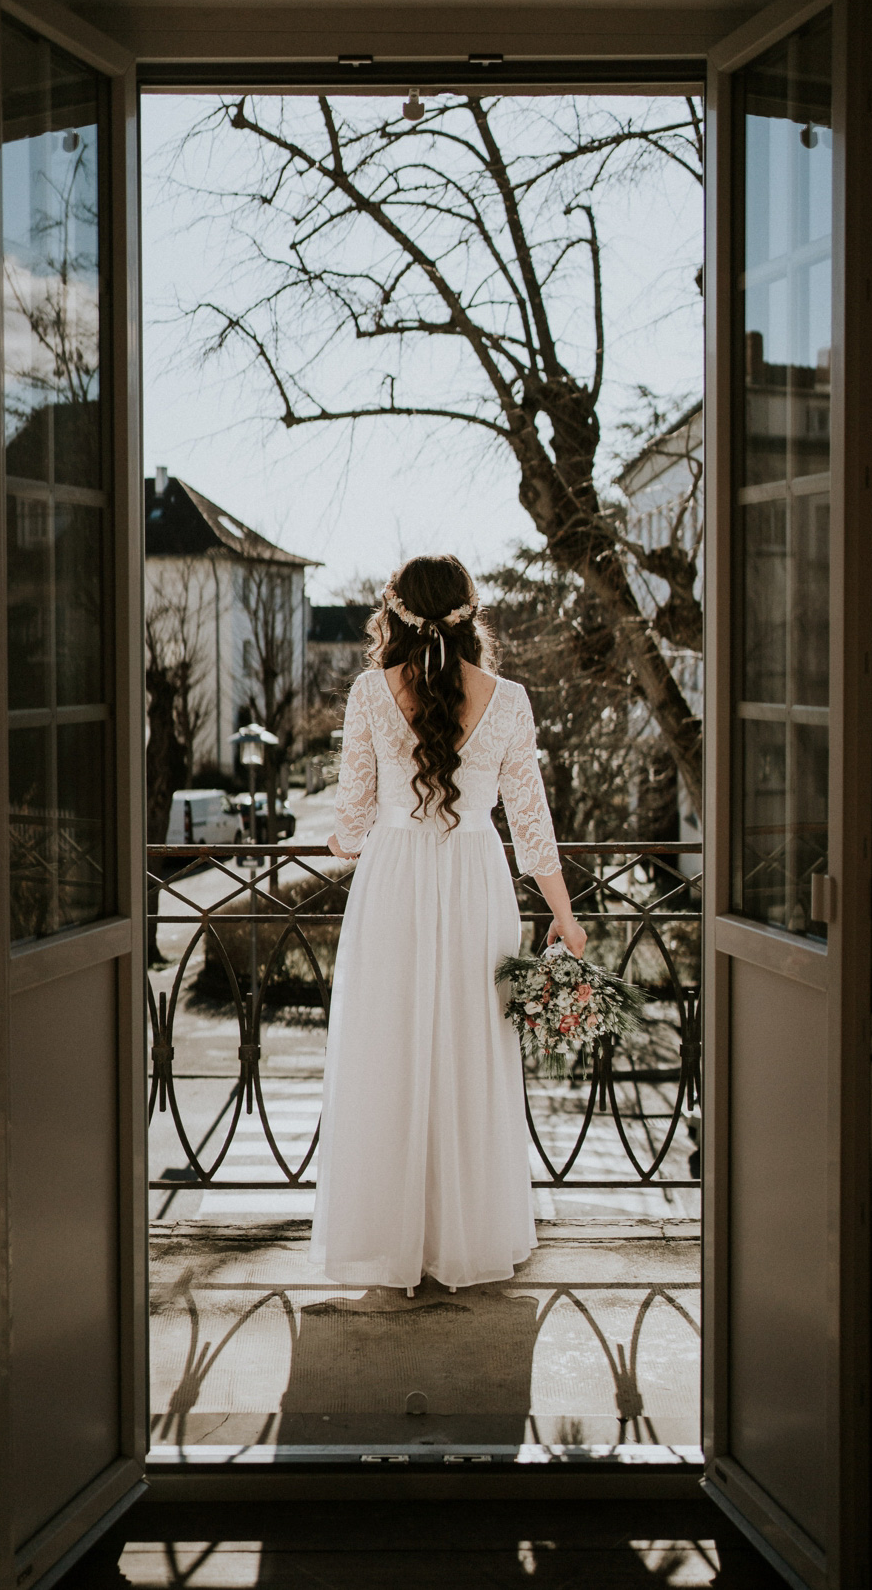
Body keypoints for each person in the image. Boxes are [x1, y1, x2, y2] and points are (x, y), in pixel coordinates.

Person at [309, 553, 587, 1295]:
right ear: (472, 615)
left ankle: (393, 1236)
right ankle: (467, 1234)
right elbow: (533, 831)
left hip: (394, 884)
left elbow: (351, 823)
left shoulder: (371, 692)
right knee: (471, 1048)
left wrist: (348, 837)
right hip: (474, 883)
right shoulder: (510, 699)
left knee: (391, 1048)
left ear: (392, 615)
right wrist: (566, 917)